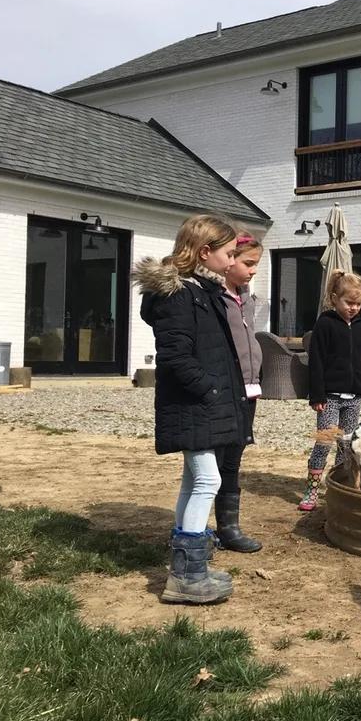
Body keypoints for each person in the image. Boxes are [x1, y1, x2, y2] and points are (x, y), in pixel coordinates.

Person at [133, 213, 251, 604]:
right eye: (229, 253)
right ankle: (186, 577)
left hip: (200, 404)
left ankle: (188, 570)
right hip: (193, 404)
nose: (234, 261)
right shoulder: (180, 294)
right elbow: (176, 356)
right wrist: (211, 391)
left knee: (194, 481)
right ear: (205, 252)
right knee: (208, 482)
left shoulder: (203, 290)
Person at [298, 270, 361, 511]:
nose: (354, 308)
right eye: (349, 302)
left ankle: (338, 486)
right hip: (329, 398)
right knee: (324, 442)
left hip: (354, 398)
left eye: (358, 304)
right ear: (334, 298)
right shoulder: (325, 324)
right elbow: (317, 361)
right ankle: (312, 490)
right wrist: (317, 394)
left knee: (347, 446)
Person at [215, 230, 265, 551]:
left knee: (234, 458)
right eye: (249, 263)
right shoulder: (214, 297)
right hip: (225, 389)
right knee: (215, 461)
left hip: (250, 388)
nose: (254, 270)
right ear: (229, 259)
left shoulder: (246, 297)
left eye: (257, 264)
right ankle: (196, 527)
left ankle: (228, 527)